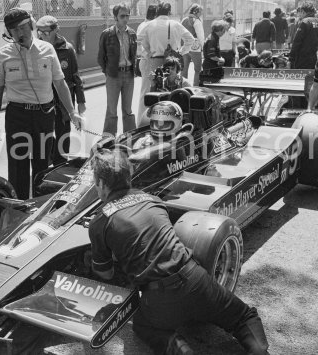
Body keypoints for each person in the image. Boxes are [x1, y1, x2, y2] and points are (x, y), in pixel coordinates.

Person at [88, 147, 269, 355]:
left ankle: (182, 350)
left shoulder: (100, 221)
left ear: (101, 183)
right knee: (245, 316)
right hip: (196, 279)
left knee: (143, 326)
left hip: (159, 299)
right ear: (129, 177)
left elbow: (105, 273)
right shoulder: (153, 200)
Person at [0, 8, 83, 200]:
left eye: (24, 27)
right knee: (18, 164)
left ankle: (40, 203)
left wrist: (73, 113)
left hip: (44, 114)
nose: (20, 32)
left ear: (31, 25)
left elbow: (59, 83)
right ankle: (20, 205)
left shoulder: (47, 50)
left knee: (42, 163)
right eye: (14, 29)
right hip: (17, 115)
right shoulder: (3, 54)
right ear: (9, 33)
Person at [36, 15, 86, 166]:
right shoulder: (36, 49)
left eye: (45, 32)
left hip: (64, 99)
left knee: (63, 132)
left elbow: (75, 76)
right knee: (45, 135)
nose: (42, 35)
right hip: (45, 99)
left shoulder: (67, 48)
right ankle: (47, 164)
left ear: (55, 30)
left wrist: (81, 101)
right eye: (39, 32)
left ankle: (61, 165)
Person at [138, 2, 193, 122]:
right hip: (172, 62)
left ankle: (144, 122)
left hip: (154, 61)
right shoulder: (175, 24)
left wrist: (146, 52)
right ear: (169, 12)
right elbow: (190, 39)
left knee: (149, 92)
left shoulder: (149, 24)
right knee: (172, 90)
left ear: (157, 12)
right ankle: (171, 120)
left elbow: (138, 39)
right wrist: (182, 51)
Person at [98, 3, 138, 136]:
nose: (125, 18)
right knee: (111, 110)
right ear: (115, 17)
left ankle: (130, 137)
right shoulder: (107, 34)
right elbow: (100, 57)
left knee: (128, 109)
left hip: (129, 75)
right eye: (122, 16)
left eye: (127, 15)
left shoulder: (132, 33)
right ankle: (109, 138)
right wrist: (109, 72)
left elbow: (134, 54)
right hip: (113, 76)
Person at [289, 2, 318, 69]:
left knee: (300, 76)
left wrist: (291, 56)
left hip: (302, 56)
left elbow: (297, 41)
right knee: (310, 76)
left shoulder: (305, 22)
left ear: (303, 11)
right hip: (313, 55)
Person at [136, 4, 157, 126]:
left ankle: (146, 121)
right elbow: (138, 44)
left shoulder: (144, 25)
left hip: (146, 60)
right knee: (146, 93)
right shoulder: (147, 26)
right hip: (148, 61)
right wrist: (148, 53)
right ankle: (141, 123)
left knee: (149, 92)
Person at [181, 3, 205, 85]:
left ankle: (183, 88)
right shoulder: (197, 21)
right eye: (200, 12)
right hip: (195, 48)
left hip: (185, 47)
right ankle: (195, 88)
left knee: (184, 69)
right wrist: (203, 48)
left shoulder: (184, 20)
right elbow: (201, 37)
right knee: (197, 69)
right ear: (197, 12)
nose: (201, 14)